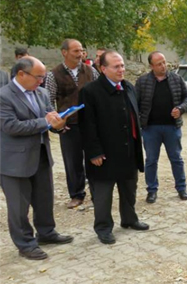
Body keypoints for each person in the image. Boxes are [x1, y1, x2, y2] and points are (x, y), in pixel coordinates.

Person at [0, 57, 74, 260]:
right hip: (14, 162)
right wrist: (45, 122)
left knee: (44, 199)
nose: (42, 81)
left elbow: (50, 117)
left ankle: (47, 233)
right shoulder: (4, 96)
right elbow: (11, 126)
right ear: (21, 74)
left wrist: (59, 125)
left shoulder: (40, 93)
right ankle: (25, 243)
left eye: (43, 76)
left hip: (40, 155)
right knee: (19, 207)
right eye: (38, 77)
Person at [78, 50, 149, 245]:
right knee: (103, 194)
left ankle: (129, 219)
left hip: (128, 151)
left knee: (129, 190)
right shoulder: (90, 91)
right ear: (103, 69)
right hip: (104, 154)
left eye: (123, 65)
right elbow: (87, 125)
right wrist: (94, 152)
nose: (121, 70)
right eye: (116, 66)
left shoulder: (128, 87)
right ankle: (103, 227)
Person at [46, 39, 100, 209]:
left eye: (81, 50)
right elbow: (48, 101)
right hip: (69, 126)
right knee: (72, 161)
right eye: (75, 51)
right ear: (64, 52)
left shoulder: (91, 71)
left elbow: (100, 94)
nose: (80, 54)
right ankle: (76, 195)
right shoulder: (53, 74)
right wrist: (57, 122)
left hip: (91, 124)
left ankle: (97, 193)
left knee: (95, 158)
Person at [136, 51, 187, 204]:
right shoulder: (142, 81)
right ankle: (152, 190)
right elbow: (135, 103)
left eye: (164, 62)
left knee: (176, 159)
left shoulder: (176, 78)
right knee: (151, 161)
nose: (163, 66)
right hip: (150, 128)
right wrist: (140, 120)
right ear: (151, 66)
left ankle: (181, 188)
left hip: (172, 128)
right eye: (159, 64)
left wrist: (181, 109)